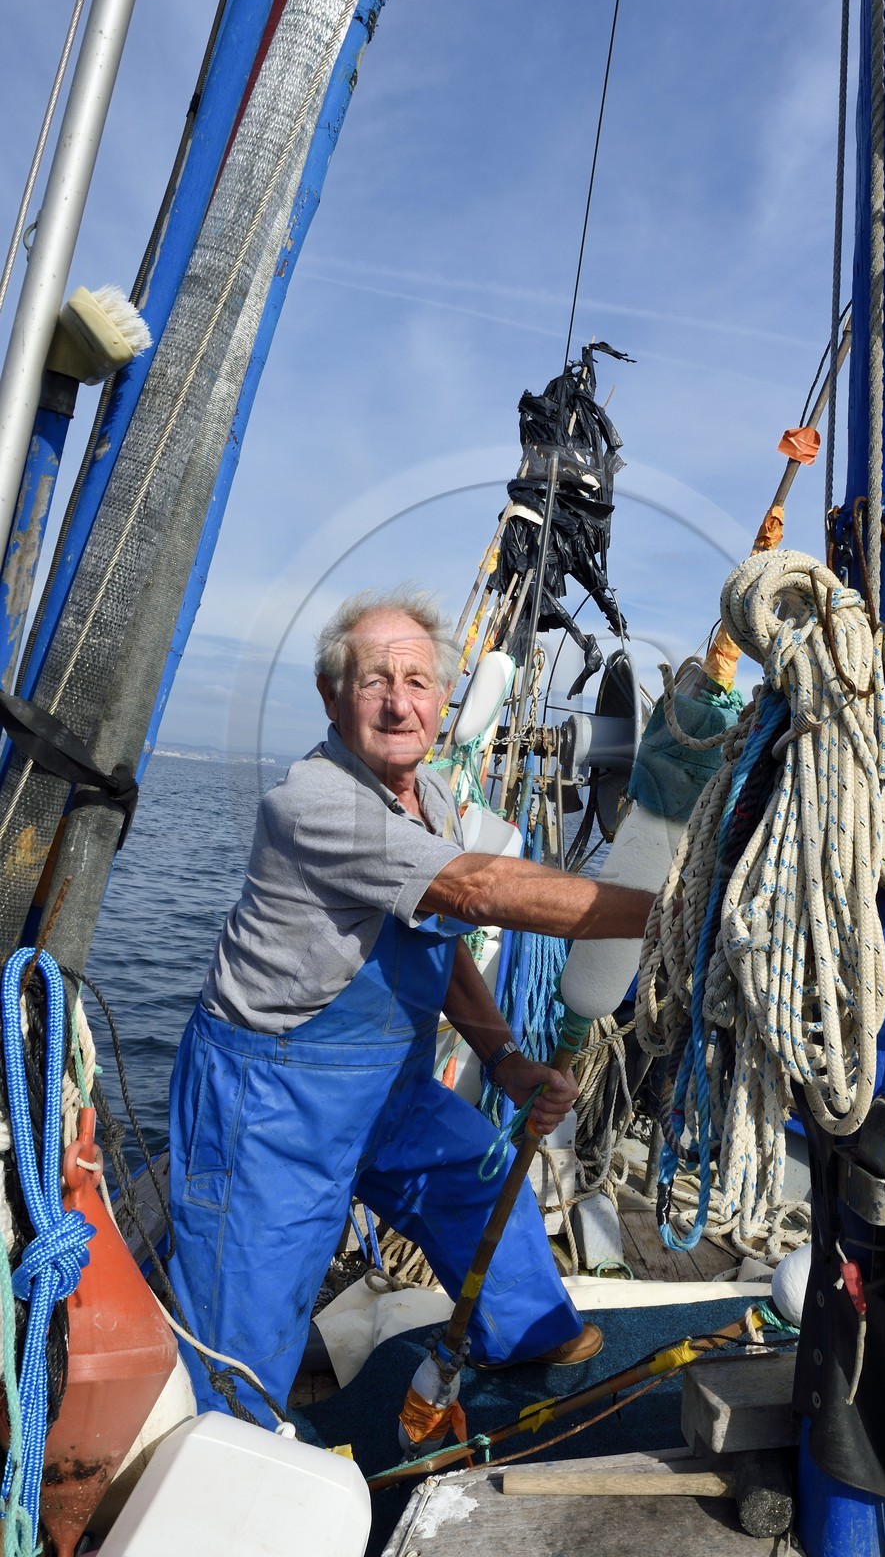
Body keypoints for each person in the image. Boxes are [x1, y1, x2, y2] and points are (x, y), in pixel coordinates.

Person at [167, 586, 654, 1425]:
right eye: (374, 682)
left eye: (420, 682)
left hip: (385, 1087)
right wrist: (674, 914)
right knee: (241, 1323)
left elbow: (440, 940)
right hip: (271, 1104)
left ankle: (526, 1334)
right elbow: (473, 893)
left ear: (443, 700)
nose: (400, 703)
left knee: (472, 1176)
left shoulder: (426, 799)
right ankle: (222, 1457)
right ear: (331, 698)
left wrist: (504, 1061)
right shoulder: (314, 802)